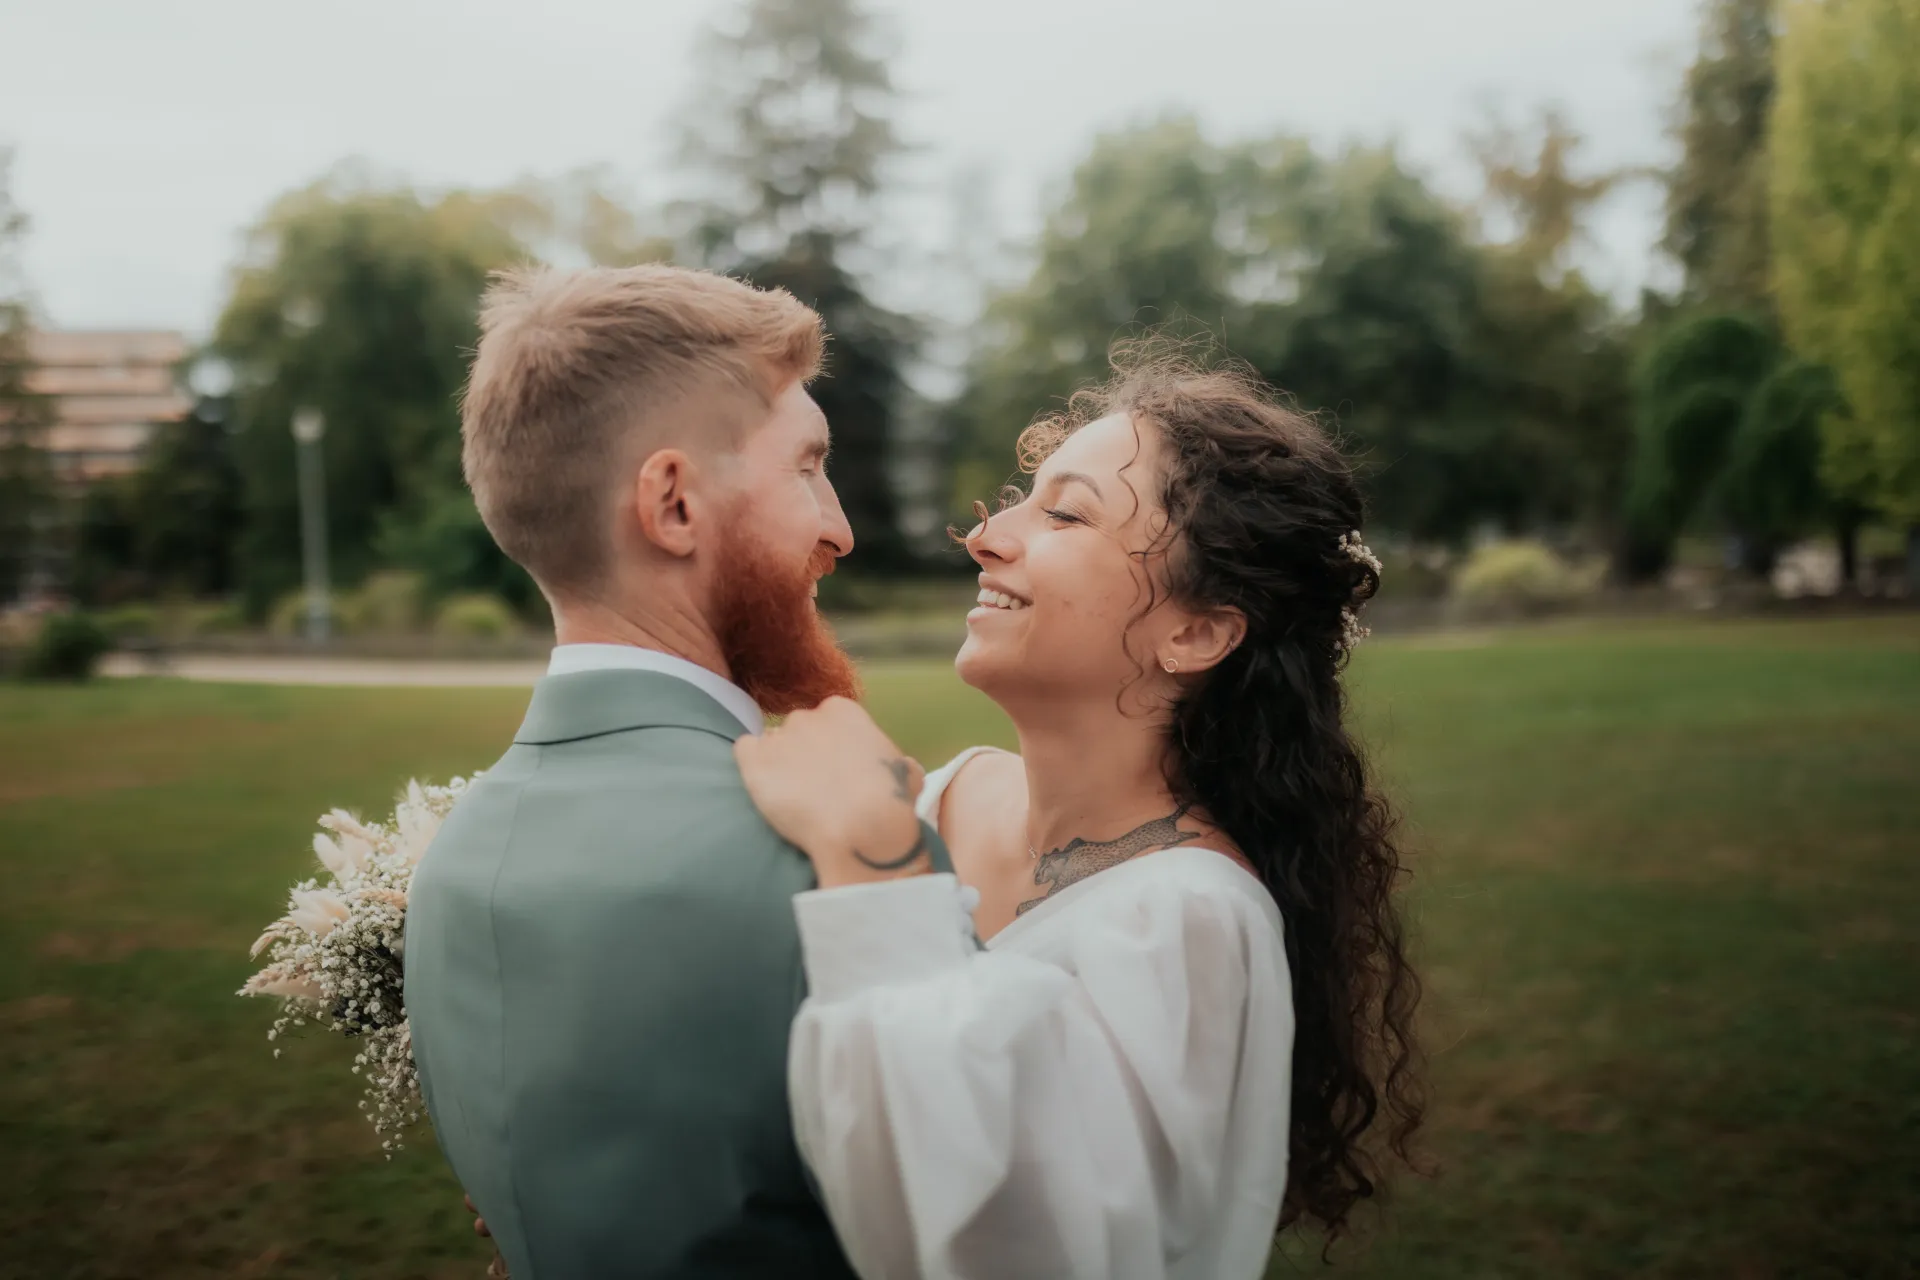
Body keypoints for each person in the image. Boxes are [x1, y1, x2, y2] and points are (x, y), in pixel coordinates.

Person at [734, 353, 1426, 1278]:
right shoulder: (938, 793)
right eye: (1023, 497)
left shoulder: (1186, 920)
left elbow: (1036, 1250)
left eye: (1065, 512)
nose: (985, 537)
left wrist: (877, 866)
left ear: (1197, 632)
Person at [403, 263, 961, 1279]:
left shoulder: (446, 868)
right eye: (806, 467)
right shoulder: (840, 869)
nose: (840, 527)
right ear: (672, 502)